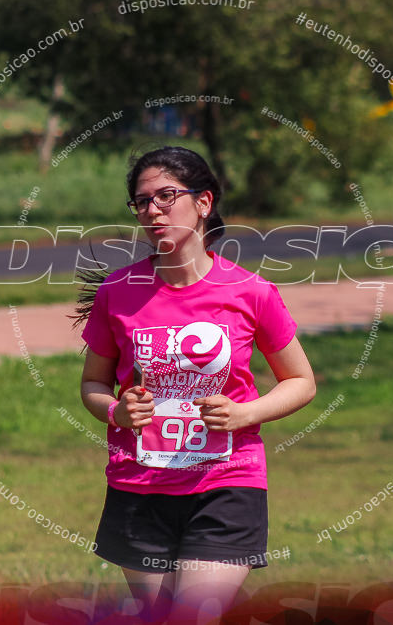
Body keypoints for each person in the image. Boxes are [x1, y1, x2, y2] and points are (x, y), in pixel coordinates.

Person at [75, 146, 316, 623]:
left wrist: (248, 413)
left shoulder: (250, 292)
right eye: (142, 201)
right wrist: (115, 412)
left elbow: (301, 381)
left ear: (204, 202)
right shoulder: (117, 294)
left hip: (226, 483)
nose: (153, 210)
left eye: (167, 196)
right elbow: (93, 384)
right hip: (140, 485)